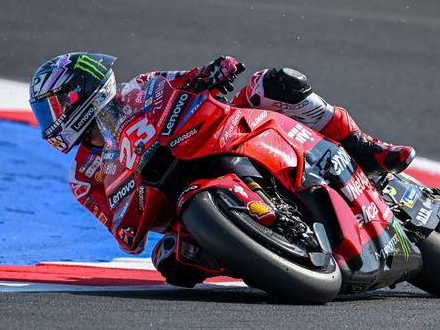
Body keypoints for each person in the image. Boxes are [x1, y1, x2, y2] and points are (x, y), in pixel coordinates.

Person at [29, 52, 415, 287]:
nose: (53, 119)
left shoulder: (142, 88)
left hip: (219, 138)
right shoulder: (83, 179)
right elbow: (125, 234)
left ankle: (364, 149)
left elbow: (187, 80)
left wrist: (213, 72)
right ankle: (272, 251)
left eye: (56, 106)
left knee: (275, 83)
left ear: (81, 90)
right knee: (171, 262)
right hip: (178, 206)